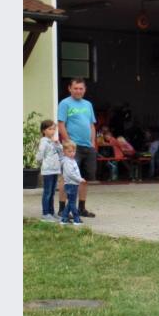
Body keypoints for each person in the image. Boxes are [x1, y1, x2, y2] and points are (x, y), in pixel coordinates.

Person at [57, 78, 97, 218]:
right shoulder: (65, 103)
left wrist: (93, 142)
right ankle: (62, 209)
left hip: (88, 147)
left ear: (84, 89)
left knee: (84, 178)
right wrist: (68, 142)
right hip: (72, 147)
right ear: (70, 88)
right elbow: (61, 124)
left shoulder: (88, 104)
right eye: (75, 88)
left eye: (81, 88)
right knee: (66, 177)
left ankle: (81, 208)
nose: (78, 91)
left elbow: (92, 125)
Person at [36, 120, 63, 222]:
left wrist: (58, 145)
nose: (52, 131)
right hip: (48, 171)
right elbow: (40, 156)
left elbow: (61, 153)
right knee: (47, 192)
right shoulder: (44, 142)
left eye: (54, 129)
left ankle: (52, 212)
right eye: (49, 129)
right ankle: (45, 213)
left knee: (52, 192)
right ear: (44, 131)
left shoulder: (53, 141)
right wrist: (40, 162)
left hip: (55, 170)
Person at [59, 141, 85, 225]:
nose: (72, 153)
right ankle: (76, 219)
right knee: (72, 203)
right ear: (64, 152)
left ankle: (64, 218)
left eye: (73, 151)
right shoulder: (67, 162)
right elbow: (70, 174)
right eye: (69, 151)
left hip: (74, 183)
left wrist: (79, 179)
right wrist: (79, 179)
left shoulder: (72, 160)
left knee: (71, 202)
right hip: (71, 184)